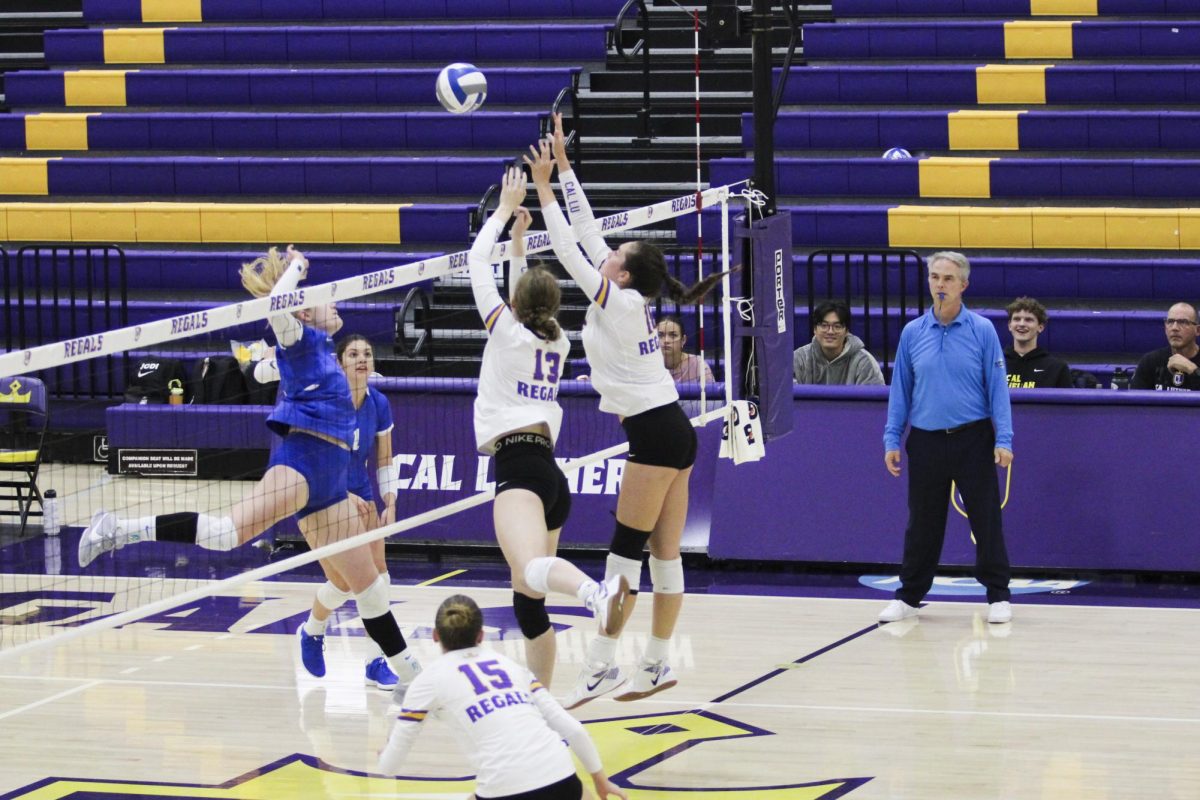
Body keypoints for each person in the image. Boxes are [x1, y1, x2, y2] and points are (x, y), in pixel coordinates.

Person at [78, 245, 422, 691]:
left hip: (332, 486)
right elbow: (278, 309)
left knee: (370, 587)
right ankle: (118, 530)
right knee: (226, 535)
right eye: (326, 297)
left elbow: (275, 375)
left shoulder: (323, 353)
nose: (335, 301)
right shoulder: (296, 341)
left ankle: (414, 676)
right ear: (303, 312)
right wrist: (297, 268)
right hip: (299, 465)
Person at [528, 115, 728, 709]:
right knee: (664, 556)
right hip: (674, 431)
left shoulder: (617, 302)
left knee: (623, 555)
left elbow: (569, 246)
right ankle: (657, 664)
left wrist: (542, 190)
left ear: (622, 272)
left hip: (657, 435)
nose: (607, 254)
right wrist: (565, 168)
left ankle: (598, 667)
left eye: (615, 254)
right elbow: (589, 234)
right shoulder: (629, 295)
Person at [468, 166, 627, 687]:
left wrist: (499, 213)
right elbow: (521, 300)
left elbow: (474, 263)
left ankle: (595, 595)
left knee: (533, 574)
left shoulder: (508, 336)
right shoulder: (556, 341)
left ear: (514, 307)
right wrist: (518, 241)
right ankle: (543, 700)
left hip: (519, 470)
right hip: (549, 479)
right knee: (527, 601)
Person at [379, 595, 628, 800]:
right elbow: (573, 730)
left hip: (504, 789)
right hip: (561, 778)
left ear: (435, 635)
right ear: (481, 635)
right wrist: (601, 780)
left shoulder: (428, 680)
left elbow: (391, 765)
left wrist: (384, 758)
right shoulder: (512, 667)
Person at [881, 251, 1014, 626]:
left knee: (985, 519)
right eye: (935, 277)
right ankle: (909, 597)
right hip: (925, 441)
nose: (940, 284)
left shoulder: (982, 330)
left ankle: (998, 596)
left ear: (963, 285)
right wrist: (892, 438)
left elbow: (997, 389)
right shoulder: (912, 333)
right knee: (922, 522)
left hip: (974, 439)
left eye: (948, 279)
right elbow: (901, 391)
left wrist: (1004, 438)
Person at [295, 334, 401, 690]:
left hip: (363, 494)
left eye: (367, 354)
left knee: (379, 580)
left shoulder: (379, 403)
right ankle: (312, 629)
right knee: (343, 582)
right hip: (323, 494)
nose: (361, 359)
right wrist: (341, 493)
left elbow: (384, 457)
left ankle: (374, 662)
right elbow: (312, 456)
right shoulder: (327, 401)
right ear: (340, 362)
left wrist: (391, 500)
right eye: (353, 354)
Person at [792, 300, 884, 385]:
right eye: (824, 325)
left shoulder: (864, 362)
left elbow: (871, 401)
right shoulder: (798, 359)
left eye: (837, 326)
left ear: (847, 331)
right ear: (815, 329)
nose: (830, 331)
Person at [1004, 297, 1072, 389]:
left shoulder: (1057, 367)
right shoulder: (994, 364)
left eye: (1028, 320)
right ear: (1009, 326)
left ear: (1040, 327)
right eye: (1017, 319)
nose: (1022, 324)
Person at [1130, 302, 1200, 391]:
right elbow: (1135, 399)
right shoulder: (1150, 361)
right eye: (1170, 322)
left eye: (1183, 322)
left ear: (1197, 330)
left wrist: (1193, 370)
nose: (1174, 328)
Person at [657, 316, 715, 385]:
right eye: (660, 335)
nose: (666, 340)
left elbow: (711, 394)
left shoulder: (698, 364)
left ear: (683, 340)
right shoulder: (647, 364)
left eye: (673, 335)